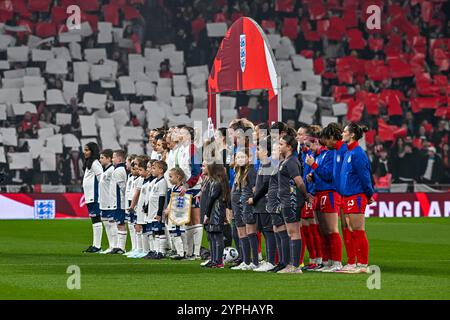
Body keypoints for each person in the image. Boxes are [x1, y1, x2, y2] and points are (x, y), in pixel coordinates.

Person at [305, 126, 343, 272]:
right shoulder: (321, 156)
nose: (310, 146)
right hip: (320, 193)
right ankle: (327, 262)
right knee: (323, 231)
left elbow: (328, 175)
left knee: (332, 230)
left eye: (312, 143)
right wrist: (313, 176)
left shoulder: (331, 154)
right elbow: (321, 173)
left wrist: (313, 166)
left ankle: (337, 262)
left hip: (330, 193)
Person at [340, 123, 375, 274]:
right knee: (351, 229)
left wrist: (369, 194)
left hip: (357, 196)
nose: (342, 133)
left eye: (344, 131)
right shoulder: (349, 152)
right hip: (347, 196)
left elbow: (365, 177)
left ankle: (362, 264)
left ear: (352, 135)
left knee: (358, 230)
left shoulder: (358, 154)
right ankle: (354, 263)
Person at [321, 123, 356, 273]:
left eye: (325, 139)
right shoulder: (336, 150)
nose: (324, 143)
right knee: (343, 227)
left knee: (348, 227)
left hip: (345, 193)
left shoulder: (343, 149)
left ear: (331, 138)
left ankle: (350, 262)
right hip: (340, 193)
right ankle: (348, 262)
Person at [276, 133, 308, 274]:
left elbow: (299, 181)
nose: (279, 146)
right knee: (291, 232)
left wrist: (306, 195)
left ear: (289, 147)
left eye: (281, 144)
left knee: (294, 232)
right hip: (286, 200)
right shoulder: (286, 161)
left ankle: (295, 266)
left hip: (292, 200)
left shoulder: (292, 162)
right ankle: (292, 265)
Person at [248, 137, 277, 272]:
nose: (256, 152)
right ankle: (270, 260)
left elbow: (266, 185)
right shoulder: (262, 164)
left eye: (258, 149)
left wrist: (254, 198)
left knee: (269, 232)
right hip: (260, 204)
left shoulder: (268, 163)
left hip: (264, 203)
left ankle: (272, 261)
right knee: (265, 232)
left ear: (265, 151)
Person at [176, 126, 203, 260]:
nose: (179, 135)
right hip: (184, 188)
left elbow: (197, 172)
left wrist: (187, 185)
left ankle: (196, 253)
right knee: (187, 220)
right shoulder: (181, 149)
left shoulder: (193, 149)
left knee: (195, 219)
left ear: (188, 135)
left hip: (194, 187)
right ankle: (189, 251)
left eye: (181, 133)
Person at [230, 149, 257, 271]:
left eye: (242, 157)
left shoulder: (251, 171)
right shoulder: (238, 172)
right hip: (237, 206)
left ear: (248, 158)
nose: (239, 159)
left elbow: (254, 188)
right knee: (241, 233)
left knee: (250, 232)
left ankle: (254, 261)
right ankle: (245, 260)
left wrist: (252, 200)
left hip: (246, 205)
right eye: (238, 157)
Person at [202, 163, 229, 268]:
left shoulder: (217, 182)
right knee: (212, 235)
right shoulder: (215, 181)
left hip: (216, 211)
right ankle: (214, 259)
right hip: (215, 211)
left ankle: (219, 261)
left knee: (217, 236)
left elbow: (212, 199)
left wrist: (207, 214)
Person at [82, 142, 103, 253]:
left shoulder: (95, 163)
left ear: (92, 151)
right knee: (94, 220)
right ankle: (96, 245)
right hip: (89, 195)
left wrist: (101, 194)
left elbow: (101, 179)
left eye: (87, 150)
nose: (84, 152)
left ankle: (97, 246)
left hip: (94, 196)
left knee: (96, 219)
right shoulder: (89, 163)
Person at [127, 156, 150, 258]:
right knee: (138, 226)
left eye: (137, 165)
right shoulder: (140, 179)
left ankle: (144, 250)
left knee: (142, 227)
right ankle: (139, 249)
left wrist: (132, 205)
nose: (135, 167)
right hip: (139, 206)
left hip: (143, 207)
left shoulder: (143, 180)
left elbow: (137, 194)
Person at [164, 167, 189, 260]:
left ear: (178, 177)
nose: (169, 179)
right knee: (179, 233)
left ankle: (181, 253)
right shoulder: (174, 188)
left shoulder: (181, 189)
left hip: (177, 214)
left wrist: (169, 209)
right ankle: (184, 251)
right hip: (174, 214)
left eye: (171, 177)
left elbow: (177, 202)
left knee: (176, 233)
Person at [146, 160, 168, 259]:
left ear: (161, 170)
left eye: (154, 168)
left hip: (157, 212)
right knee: (156, 232)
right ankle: (157, 251)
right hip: (152, 211)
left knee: (160, 231)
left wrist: (159, 213)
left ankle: (161, 252)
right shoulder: (156, 181)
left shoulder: (163, 182)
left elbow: (161, 197)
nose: (152, 170)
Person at [98, 149, 117, 254]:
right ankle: (110, 246)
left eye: (102, 158)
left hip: (110, 202)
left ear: (109, 158)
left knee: (112, 224)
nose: (100, 160)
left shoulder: (112, 170)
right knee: (106, 224)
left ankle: (116, 246)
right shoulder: (105, 171)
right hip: (103, 202)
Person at [109, 150, 128, 254]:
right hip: (116, 201)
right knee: (118, 223)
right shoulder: (118, 169)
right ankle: (118, 246)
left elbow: (123, 188)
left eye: (114, 157)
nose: (112, 159)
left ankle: (122, 247)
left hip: (119, 202)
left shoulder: (119, 170)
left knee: (120, 223)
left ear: (119, 159)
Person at [124, 155, 138, 256]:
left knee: (136, 225)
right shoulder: (130, 176)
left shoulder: (138, 179)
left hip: (135, 202)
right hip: (129, 201)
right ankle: (134, 247)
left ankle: (138, 248)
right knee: (131, 224)